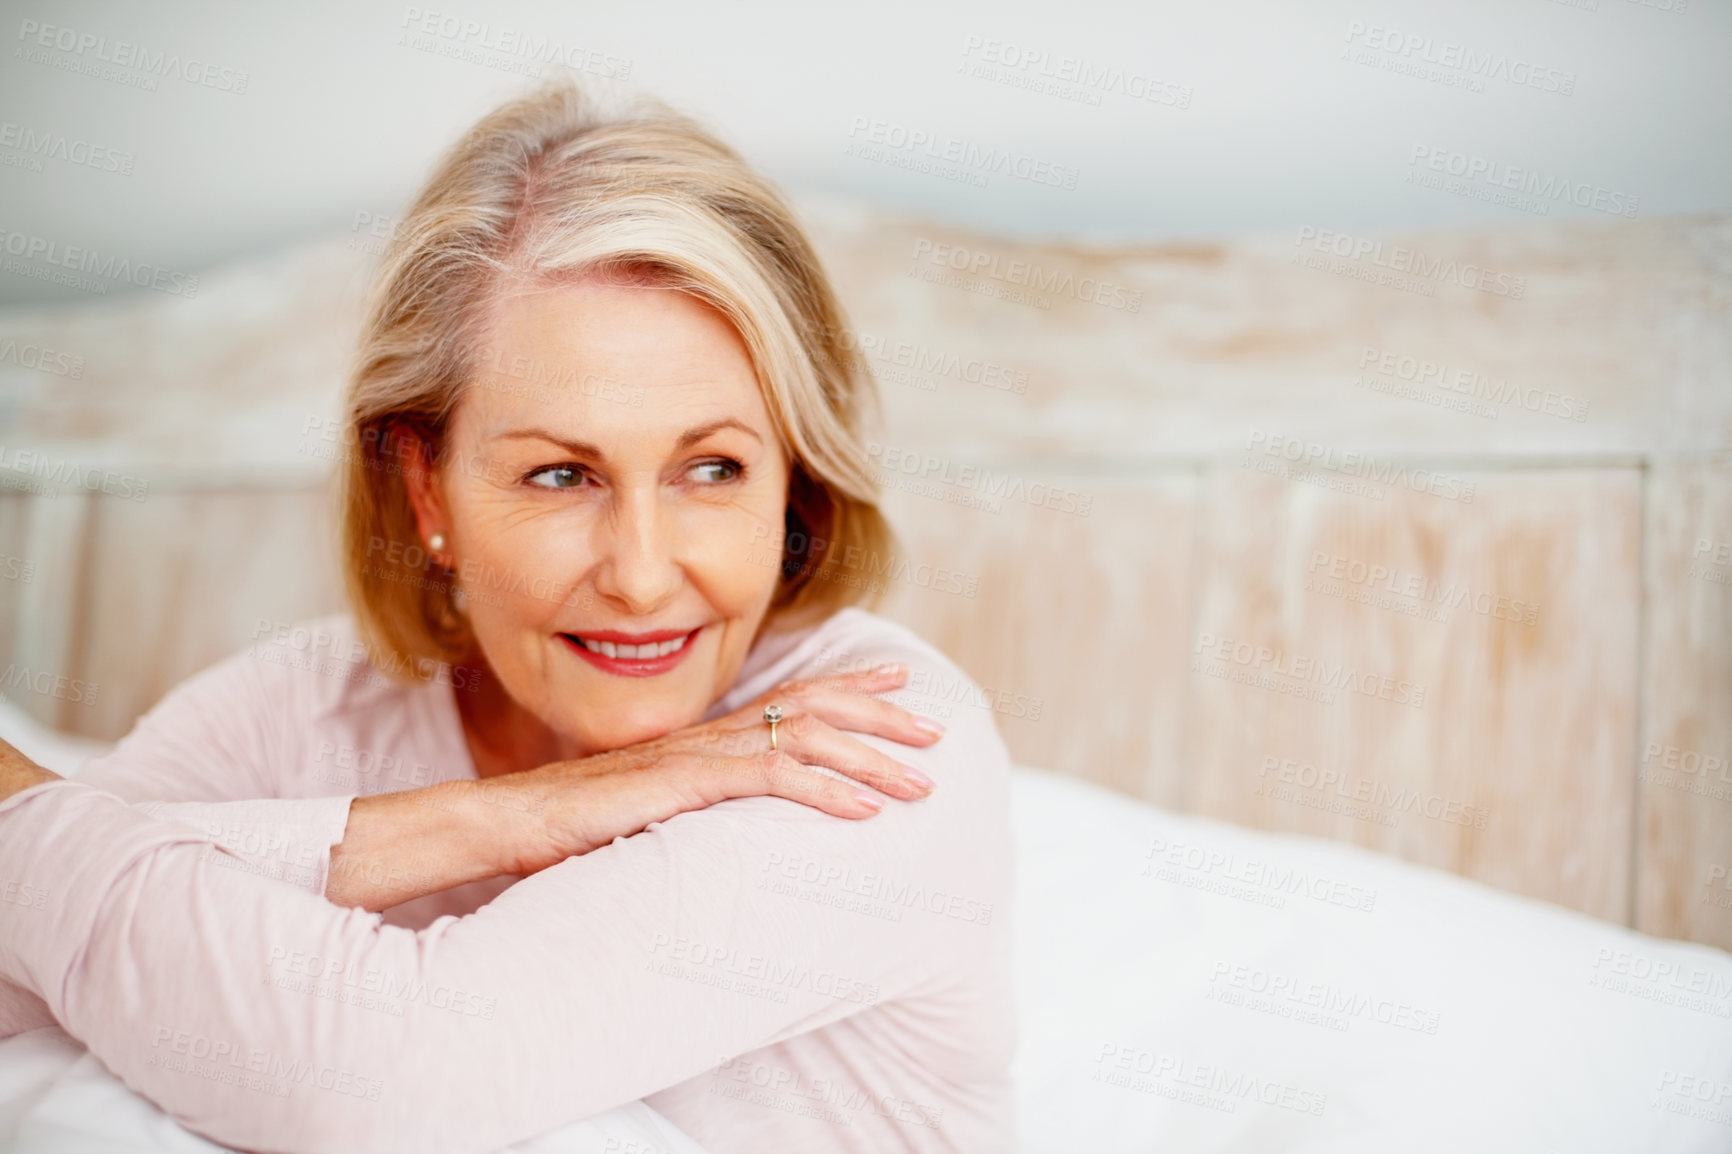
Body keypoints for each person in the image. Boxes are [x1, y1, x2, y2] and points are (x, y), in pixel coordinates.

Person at [0, 82, 1014, 1154]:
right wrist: (504, 815)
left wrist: (20, 807)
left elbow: (384, 1075)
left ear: (792, 481)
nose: (637, 574)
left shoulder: (877, 743)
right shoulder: (304, 708)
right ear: (426, 491)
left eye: (711, 467)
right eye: (559, 474)